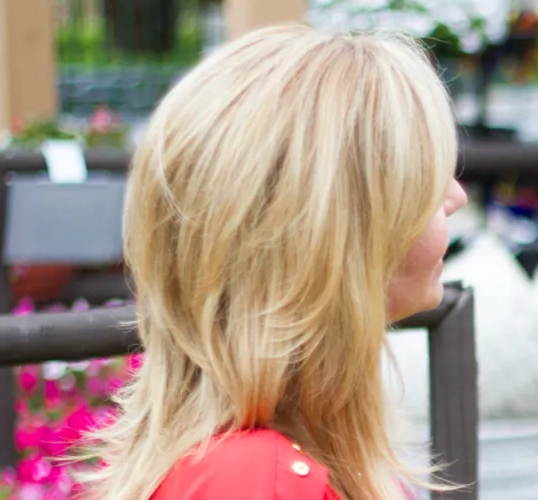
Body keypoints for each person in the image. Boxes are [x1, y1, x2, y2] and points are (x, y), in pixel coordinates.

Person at [70, 24, 470, 500]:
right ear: (334, 230)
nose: (455, 196)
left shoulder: (260, 460)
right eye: (422, 179)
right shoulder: (257, 478)